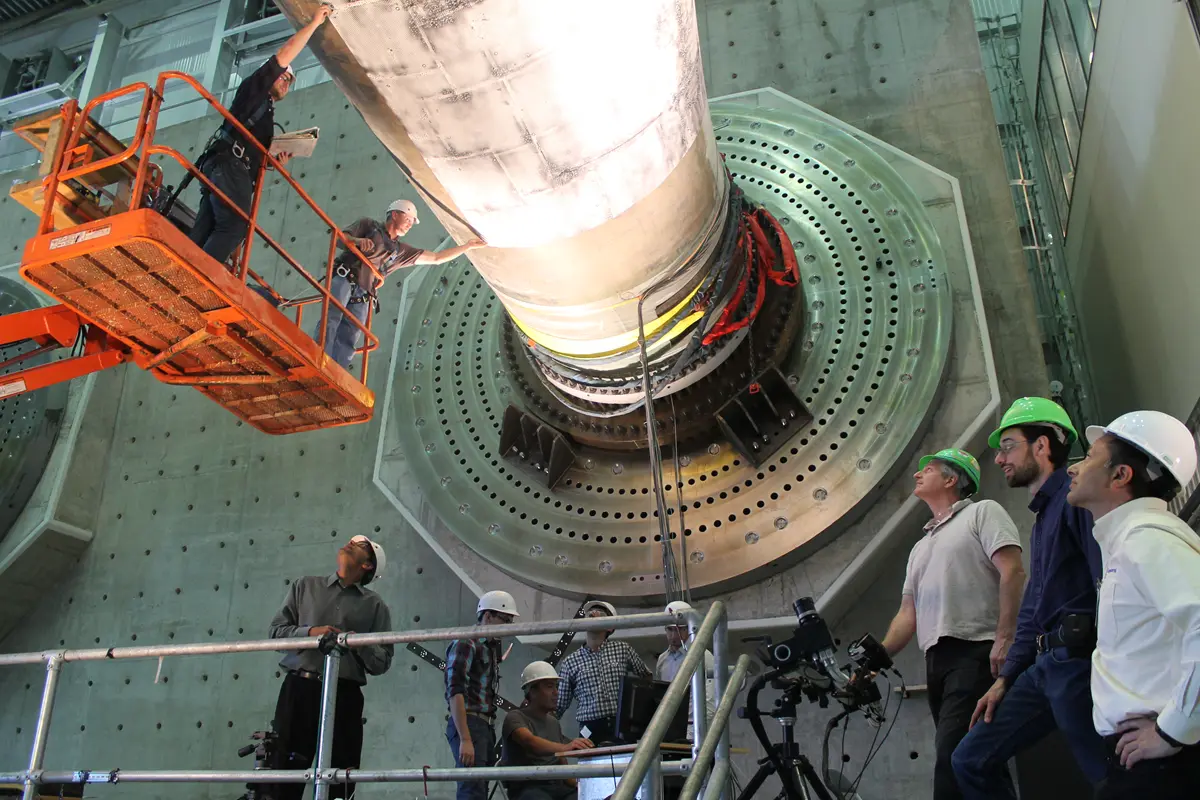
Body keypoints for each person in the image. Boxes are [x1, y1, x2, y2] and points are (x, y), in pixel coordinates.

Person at [952, 398, 1107, 798]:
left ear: (1042, 446)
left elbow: (1107, 585)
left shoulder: (1076, 502)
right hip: (1043, 666)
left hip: (1079, 664)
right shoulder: (1041, 521)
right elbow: (1035, 607)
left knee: (1111, 778)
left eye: (1008, 445)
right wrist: (1005, 678)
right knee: (969, 759)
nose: (1000, 459)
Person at [1065, 410, 1200, 798]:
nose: (1074, 468)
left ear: (1121, 475)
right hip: (1144, 758)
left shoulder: (1147, 540)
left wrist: (1173, 729)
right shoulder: (1128, 542)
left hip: (1162, 765)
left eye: (1089, 457)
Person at [877, 448, 1024, 800]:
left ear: (950, 479)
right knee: (975, 762)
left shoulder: (982, 513)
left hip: (975, 652)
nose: (916, 475)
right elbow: (907, 614)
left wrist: (1005, 637)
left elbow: (1013, 571)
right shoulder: (920, 547)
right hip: (937, 661)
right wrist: (876, 658)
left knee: (953, 759)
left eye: (926, 469)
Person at [190, 5, 331, 268]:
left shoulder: (265, 114)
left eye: (290, 82)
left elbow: (254, 152)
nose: (285, 82)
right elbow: (285, 54)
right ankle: (198, 275)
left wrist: (274, 160)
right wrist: (313, 24)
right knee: (234, 224)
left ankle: (180, 271)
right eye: (283, 76)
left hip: (226, 166)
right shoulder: (254, 90)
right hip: (229, 166)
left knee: (207, 227)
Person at [266, 535, 392, 800]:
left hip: (344, 695)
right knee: (283, 773)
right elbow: (276, 634)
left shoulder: (375, 606)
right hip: (300, 689)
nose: (349, 544)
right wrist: (312, 633)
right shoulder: (305, 587)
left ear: (368, 565)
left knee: (340, 778)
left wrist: (357, 643)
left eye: (359, 546)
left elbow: (382, 663)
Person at [320, 199, 485, 369]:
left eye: (412, 222)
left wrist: (467, 247)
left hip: (363, 295)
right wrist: (357, 241)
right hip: (345, 278)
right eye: (408, 220)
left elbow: (436, 258)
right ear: (394, 214)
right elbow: (340, 238)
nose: (409, 225)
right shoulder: (368, 226)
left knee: (351, 333)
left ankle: (335, 371)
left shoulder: (400, 252)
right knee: (331, 318)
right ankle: (320, 358)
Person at [446, 590, 520, 800]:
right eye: (505, 620)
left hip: (484, 726)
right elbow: (455, 691)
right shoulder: (466, 643)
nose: (508, 627)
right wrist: (465, 738)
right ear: (487, 615)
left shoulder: (489, 648)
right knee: (472, 789)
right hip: (469, 723)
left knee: (479, 789)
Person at [556, 600, 651, 743]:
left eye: (599, 613)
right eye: (590, 614)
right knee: (591, 764)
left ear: (610, 627)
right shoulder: (570, 662)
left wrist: (638, 715)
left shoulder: (623, 650)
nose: (593, 614)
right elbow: (559, 705)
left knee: (625, 763)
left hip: (620, 724)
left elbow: (647, 678)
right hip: (589, 727)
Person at [500, 661, 594, 800]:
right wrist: (565, 747)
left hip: (557, 786)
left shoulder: (553, 722)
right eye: (550, 687)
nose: (556, 692)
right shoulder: (515, 717)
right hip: (528, 787)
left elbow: (562, 765)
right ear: (532, 691)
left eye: (556, 686)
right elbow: (529, 741)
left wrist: (582, 786)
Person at [655, 600, 716, 739]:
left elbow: (710, 702)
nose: (673, 635)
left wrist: (694, 734)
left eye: (678, 629)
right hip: (669, 731)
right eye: (669, 629)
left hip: (695, 732)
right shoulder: (662, 660)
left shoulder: (703, 656)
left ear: (688, 627)